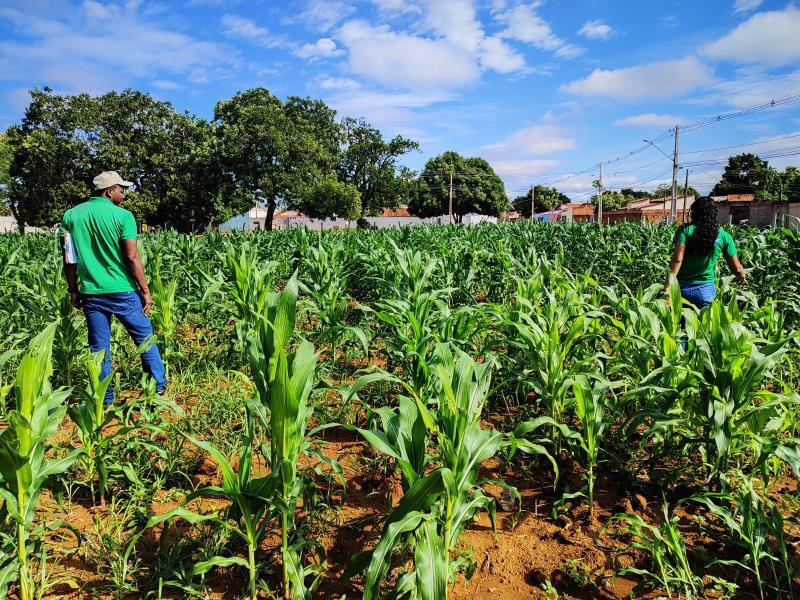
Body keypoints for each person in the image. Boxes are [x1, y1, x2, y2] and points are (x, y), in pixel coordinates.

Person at [60, 171, 168, 404]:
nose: (125, 195)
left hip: (91, 293)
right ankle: (157, 388)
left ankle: (104, 398)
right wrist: (145, 291)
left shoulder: (71, 216)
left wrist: (73, 289)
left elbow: (69, 258)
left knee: (99, 348)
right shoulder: (124, 216)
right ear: (109, 191)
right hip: (123, 291)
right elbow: (132, 257)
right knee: (144, 338)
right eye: (122, 189)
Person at [664, 195, 747, 308]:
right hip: (705, 292)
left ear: (695, 213)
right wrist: (741, 276)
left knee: (678, 324)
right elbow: (737, 269)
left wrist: (667, 288)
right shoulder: (724, 236)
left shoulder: (685, 230)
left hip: (680, 289)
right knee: (705, 324)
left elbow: (677, 259)